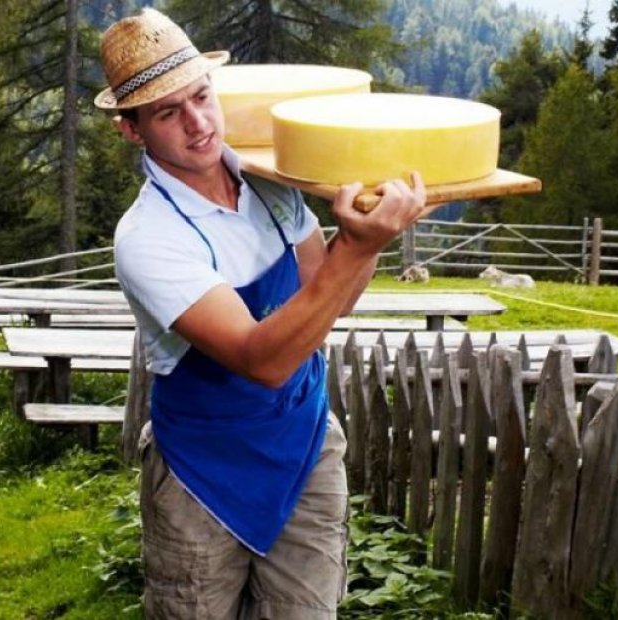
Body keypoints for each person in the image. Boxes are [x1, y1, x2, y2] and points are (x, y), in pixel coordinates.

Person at [95, 8, 426, 619]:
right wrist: (358, 246)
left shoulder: (271, 185)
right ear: (132, 129)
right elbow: (263, 359)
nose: (199, 125)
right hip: (202, 474)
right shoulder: (148, 237)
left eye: (201, 96)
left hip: (304, 445)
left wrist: (364, 241)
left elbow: (329, 301)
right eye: (169, 112)